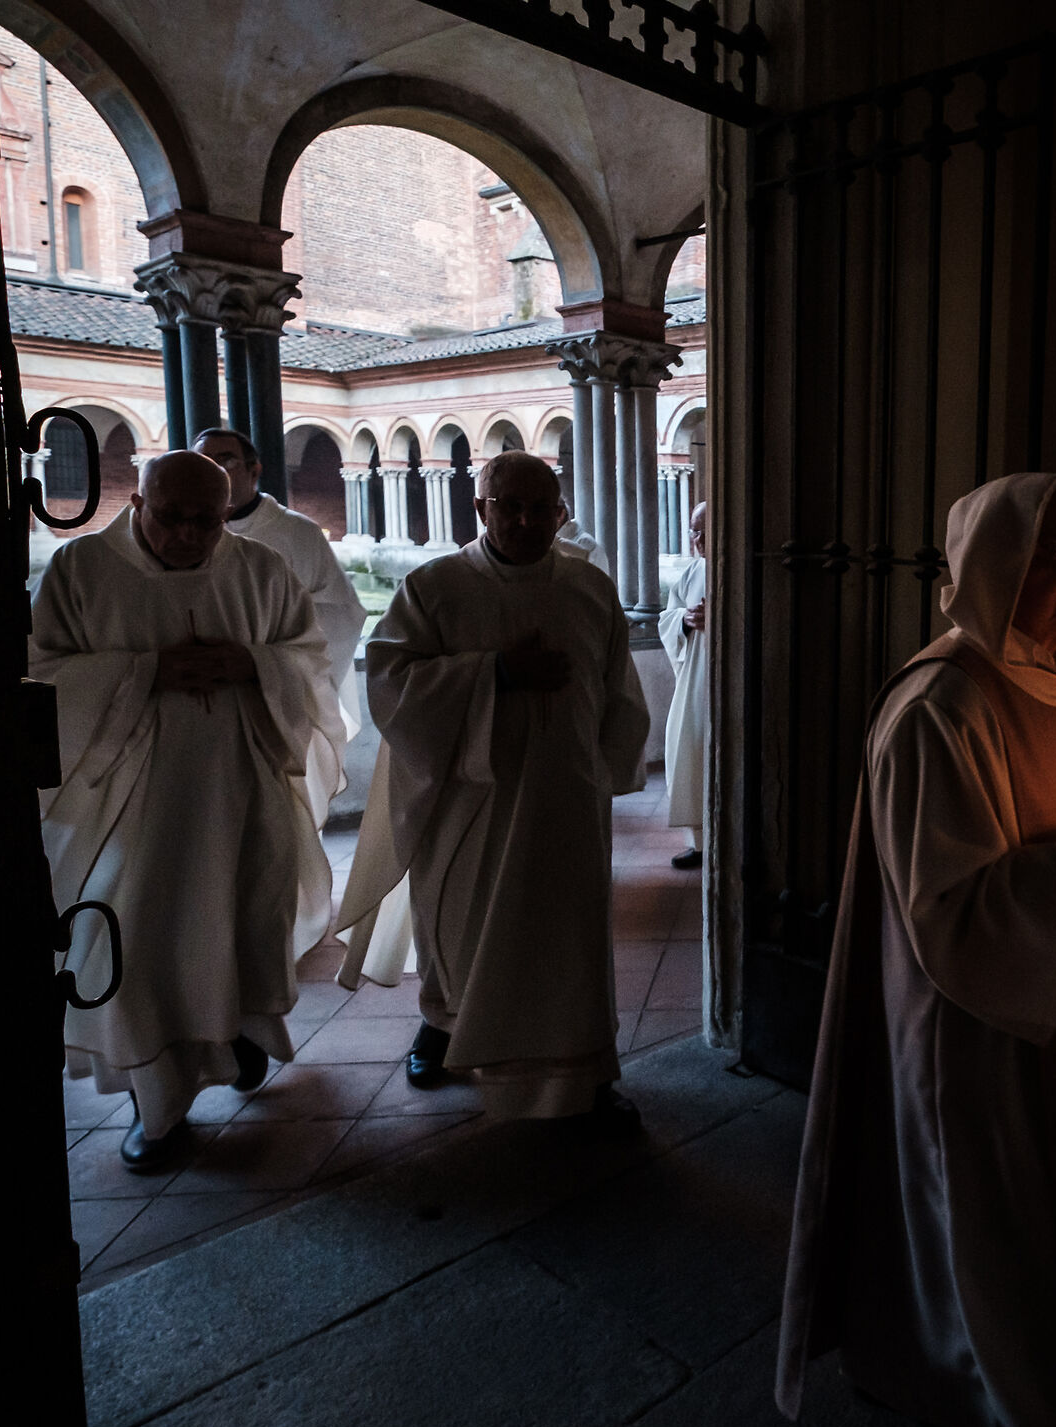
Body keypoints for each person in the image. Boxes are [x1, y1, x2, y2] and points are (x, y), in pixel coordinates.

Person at [776, 473, 1056, 1427]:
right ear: (1000, 560)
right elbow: (948, 910)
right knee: (999, 1240)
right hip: (979, 1027)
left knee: (1052, 1227)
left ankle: (1037, 1419)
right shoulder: (941, 706)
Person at [32, 451, 342, 1171]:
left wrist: (253, 667)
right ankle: (158, 1108)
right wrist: (144, 673)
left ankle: (236, 1036)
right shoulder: (79, 572)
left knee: (244, 923)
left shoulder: (261, 570)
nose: (190, 534)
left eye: (208, 518)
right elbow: (38, 676)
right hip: (133, 808)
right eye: (171, 516)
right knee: (137, 945)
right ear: (138, 503)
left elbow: (308, 658)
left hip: (244, 792)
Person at [333, 450, 652, 1124]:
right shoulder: (434, 587)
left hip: (566, 798)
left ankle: (583, 1071)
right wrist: (495, 674)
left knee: (568, 939)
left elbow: (619, 688)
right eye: (509, 506)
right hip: (469, 803)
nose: (527, 521)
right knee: (461, 923)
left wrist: (608, 770)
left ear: (562, 512)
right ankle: (445, 1027)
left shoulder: (590, 589)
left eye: (542, 508)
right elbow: (391, 682)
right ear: (481, 509)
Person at [193, 428, 369, 823]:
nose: (213, 470)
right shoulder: (180, 534)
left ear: (255, 470)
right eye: (203, 461)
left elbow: (342, 612)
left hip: (273, 701)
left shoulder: (296, 533)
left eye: (224, 460)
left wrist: (266, 650)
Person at [657, 503, 710, 870]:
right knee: (689, 750)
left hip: (722, 680)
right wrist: (686, 621)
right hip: (695, 680)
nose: (699, 539)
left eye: (706, 530)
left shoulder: (740, 567)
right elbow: (669, 615)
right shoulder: (692, 571)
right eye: (694, 530)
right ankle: (701, 842)